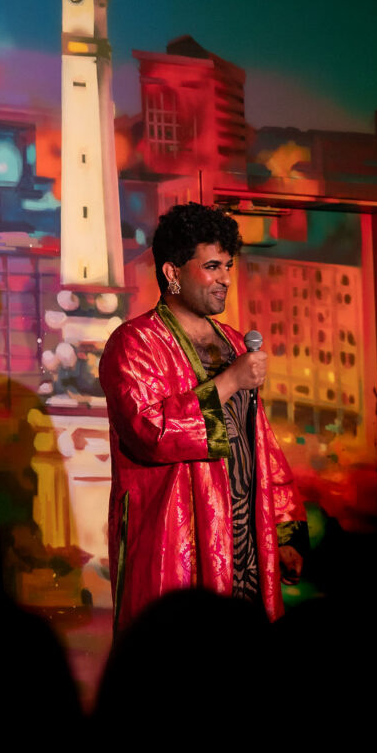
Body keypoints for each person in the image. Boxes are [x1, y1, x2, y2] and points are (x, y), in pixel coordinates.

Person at [99, 202, 308, 630]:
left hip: (247, 539)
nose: (226, 279)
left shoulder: (233, 342)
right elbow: (151, 433)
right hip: (180, 540)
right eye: (212, 266)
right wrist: (230, 381)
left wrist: (283, 528)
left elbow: (260, 442)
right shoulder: (134, 343)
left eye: (228, 266)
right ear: (172, 272)